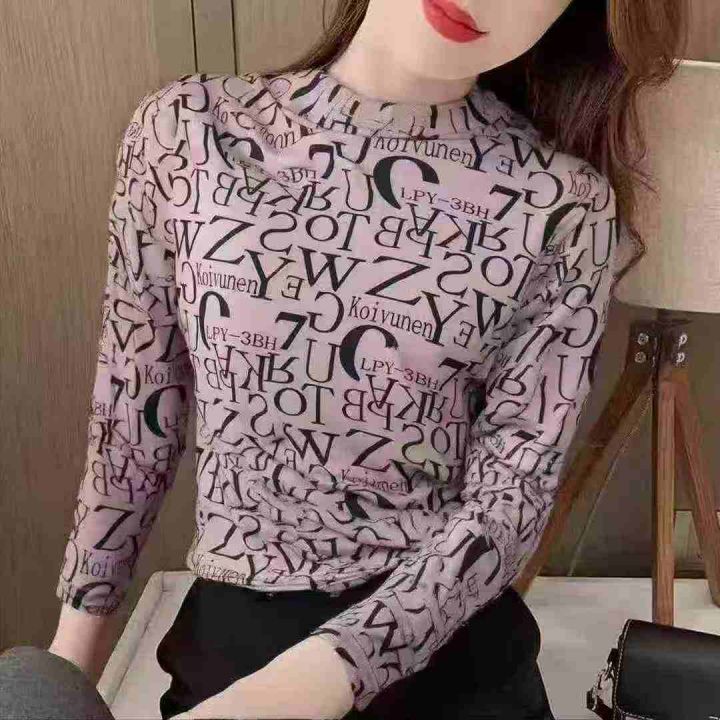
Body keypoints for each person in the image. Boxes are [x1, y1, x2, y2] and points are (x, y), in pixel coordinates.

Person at [41, 0, 687, 718]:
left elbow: (510, 496)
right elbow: (132, 427)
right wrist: (62, 677)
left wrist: (320, 677)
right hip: (241, 636)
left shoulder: (562, 204)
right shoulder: (189, 133)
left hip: (452, 658)